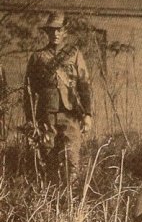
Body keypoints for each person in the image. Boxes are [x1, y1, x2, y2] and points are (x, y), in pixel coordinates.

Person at [23, 11, 93, 184]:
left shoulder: (74, 54)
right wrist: (30, 119)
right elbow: (29, 91)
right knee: (48, 160)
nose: (55, 34)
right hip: (46, 116)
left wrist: (88, 114)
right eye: (51, 30)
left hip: (71, 115)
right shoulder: (37, 57)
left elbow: (84, 85)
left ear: (65, 32)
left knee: (72, 161)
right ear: (46, 33)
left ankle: (72, 202)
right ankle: (53, 201)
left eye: (59, 30)